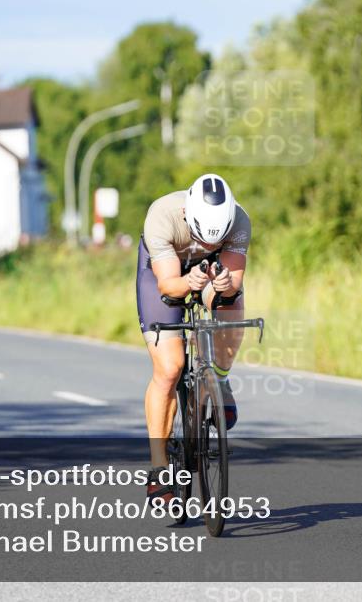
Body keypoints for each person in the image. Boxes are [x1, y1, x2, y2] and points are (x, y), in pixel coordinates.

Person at [136, 173, 251, 503]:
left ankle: (220, 379)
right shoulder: (163, 215)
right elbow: (168, 285)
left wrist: (225, 283)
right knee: (170, 369)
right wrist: (189, 282)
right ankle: (159, 469)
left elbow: (233, 283)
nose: (213, 245)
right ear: (188, 215)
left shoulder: (240, 220)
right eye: (206, 238)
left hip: (210, 271)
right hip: (165, 271)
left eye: (220, 240)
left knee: (232, 304)